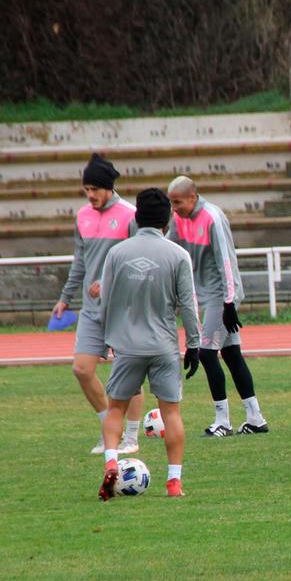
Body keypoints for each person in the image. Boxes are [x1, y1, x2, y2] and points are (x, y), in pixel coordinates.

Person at [97, 189, 201, 500]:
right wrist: (194, 344)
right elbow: (189, 305)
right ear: (167, 220)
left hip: (128, 346)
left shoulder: (117, 254)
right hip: (164, 346)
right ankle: (174, 482)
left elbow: (106, 301)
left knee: (116, 408)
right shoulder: (177, 255)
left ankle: (112, 460)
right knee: (171, 413)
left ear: (137, 217)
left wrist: (106, 338)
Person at [51, 153, 144, 455]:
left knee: (128, 370)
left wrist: (108, 281)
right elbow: (80, 262)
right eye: (86, 189)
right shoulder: (82, 216)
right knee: (81, 369)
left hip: (123, 307)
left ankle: (130, 437)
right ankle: (109, 429)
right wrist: (65, 298)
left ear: (108, 188)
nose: (90, 195)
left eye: (95, 189)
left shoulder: (131, 215)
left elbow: (140, 261)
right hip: (91, 310)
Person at [166, 176, 269, 437]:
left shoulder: (212, 217)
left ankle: (222, 421)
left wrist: (229, 302)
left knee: (206, 353)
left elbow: (226, 260)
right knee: (232, 355)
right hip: (207, 296)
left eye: (177, 202)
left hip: (222, 296)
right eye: (171, 203)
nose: (174, 208)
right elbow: (167, 247)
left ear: (192, 197)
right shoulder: (179, 219)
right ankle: (255, 418)